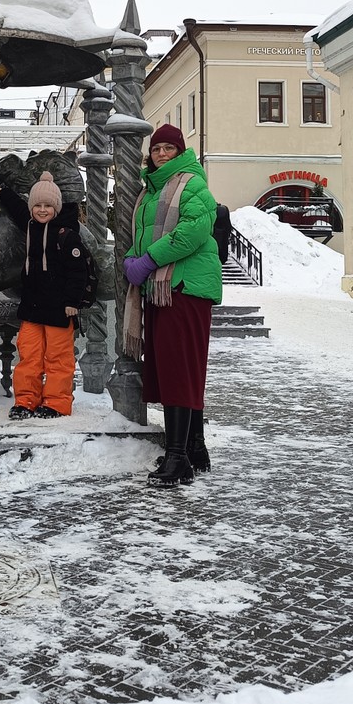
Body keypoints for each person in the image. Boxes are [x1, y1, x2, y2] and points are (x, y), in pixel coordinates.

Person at [123, 124, 222, 487]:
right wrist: (132, 258)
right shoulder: (151, 190)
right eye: (156, 149)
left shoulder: (191, 182)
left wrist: (148, 259)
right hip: (165, 289)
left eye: (168, 148)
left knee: (180, 370)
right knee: (174, 368)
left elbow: (193, 231)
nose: (161, 154)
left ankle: (178, 457)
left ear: (180, 151)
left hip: (184, 286)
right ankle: (194, 447)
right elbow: (143, 233)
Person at [0, 170, 87, 419]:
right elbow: (19, 208)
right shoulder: (31, 226)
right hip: (32, 306)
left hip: (60, 308)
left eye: (48, 206)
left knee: (58, 359)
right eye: (38, 205)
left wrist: (73, 302)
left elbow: (78, 271)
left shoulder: (67, 235)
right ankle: (26, 400)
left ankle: (56, 403)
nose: (42, 210)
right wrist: (3, 192)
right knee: (29, 356)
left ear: (57, 207)